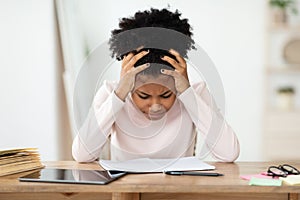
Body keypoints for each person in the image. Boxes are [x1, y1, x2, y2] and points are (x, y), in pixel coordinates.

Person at [72, 8, 240, 162]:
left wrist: (187, 94)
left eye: (166, 95)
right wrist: (120, 93)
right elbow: (82, 154)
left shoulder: (195, 94)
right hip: (128, 193)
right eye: (144, 96)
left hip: (179, 192)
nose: (155, 106)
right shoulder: (112, 93)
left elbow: (228, 153)